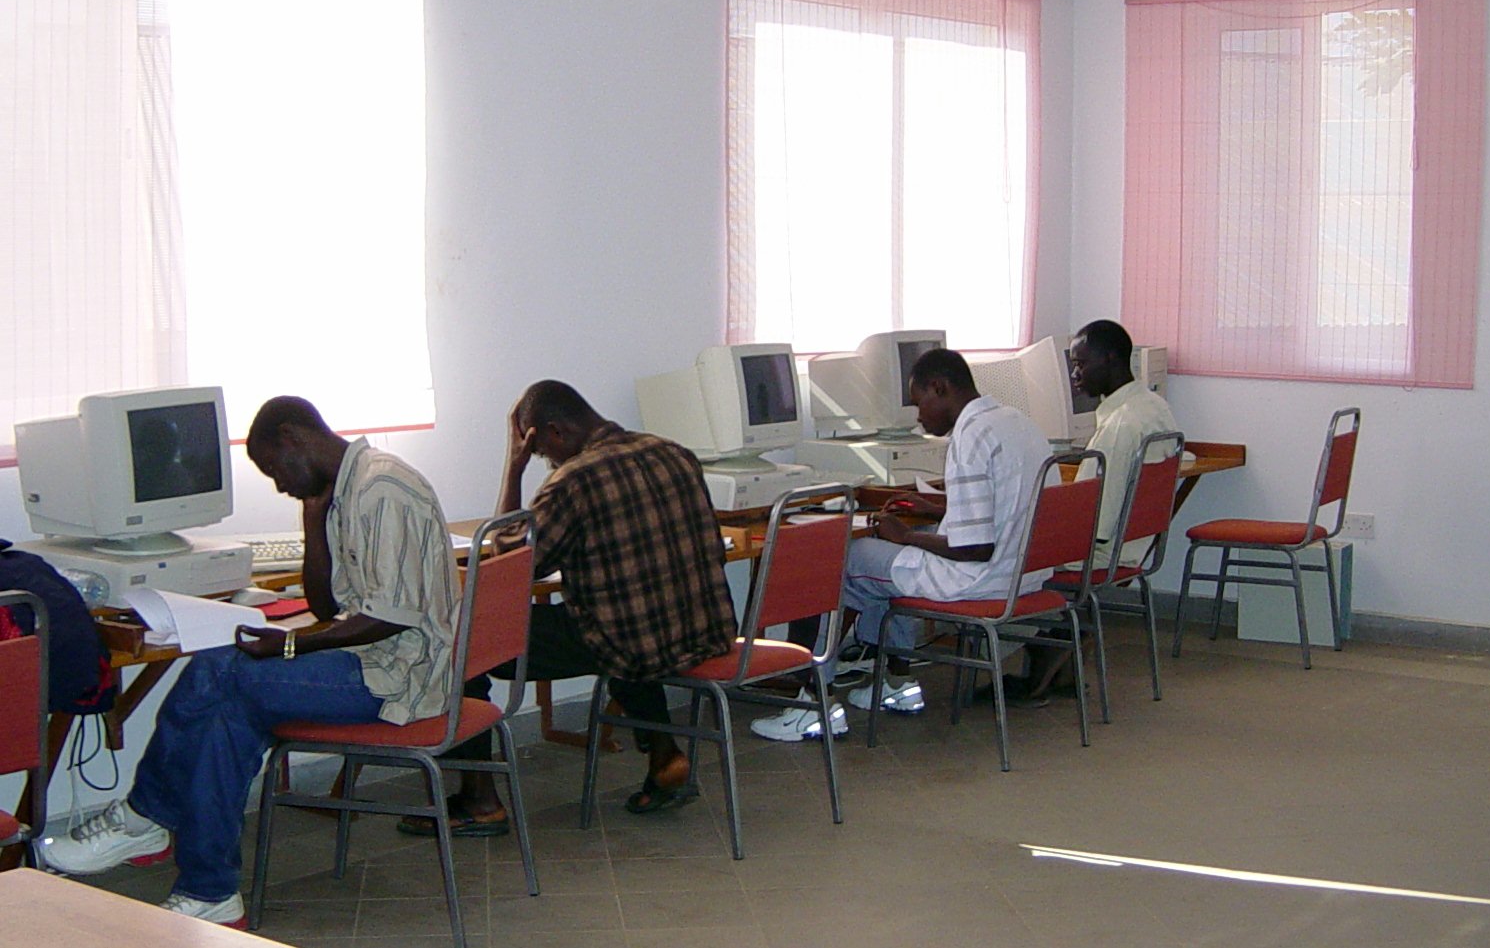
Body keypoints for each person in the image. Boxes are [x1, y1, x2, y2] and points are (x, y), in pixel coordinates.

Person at [41, 397, 459, 927]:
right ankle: (209, 890)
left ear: (292, 438)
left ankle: (144, 812)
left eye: (274, 470)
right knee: (229, 716)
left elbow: (389, 618)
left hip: (400, 678)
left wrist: (286, 645)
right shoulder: (344, 491)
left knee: (221, 667)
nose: (280, 485)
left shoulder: (382, 488)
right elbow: (329, 608)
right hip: (370, 660)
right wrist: (313, 520)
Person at [414, 379, 737, 828]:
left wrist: (513, 468)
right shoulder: (673, 452)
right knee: (625, 616)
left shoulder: (573, 480)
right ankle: (665, 757)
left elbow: (513, 564)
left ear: (554, 432)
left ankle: (479, 800)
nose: (547, 461)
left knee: (466, 637)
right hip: (703, 630)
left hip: (632, 640)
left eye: (543, 452)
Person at [751, 347, 1050, 741]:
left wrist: (904, 535)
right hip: (1025, 574)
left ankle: (811, 704)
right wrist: (934, 505)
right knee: (889, 566)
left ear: (939, 388)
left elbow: (976, 548)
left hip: (981, 578)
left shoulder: (970, 437)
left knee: (834, 560)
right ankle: (896, 684)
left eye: (918, 403)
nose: (918, 416)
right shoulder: (1016, 422)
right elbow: (1004, 502)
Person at [1015, 318, 1179, 700]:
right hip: (1137, 545)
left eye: (1081, 364)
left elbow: (1095, 523)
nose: (1075, 374)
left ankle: (1053, 638)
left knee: (998, 555)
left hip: (1104, 552)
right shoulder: (1154, 408)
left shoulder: (1119, 428)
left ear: (1109, 360)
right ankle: (1059, 636)